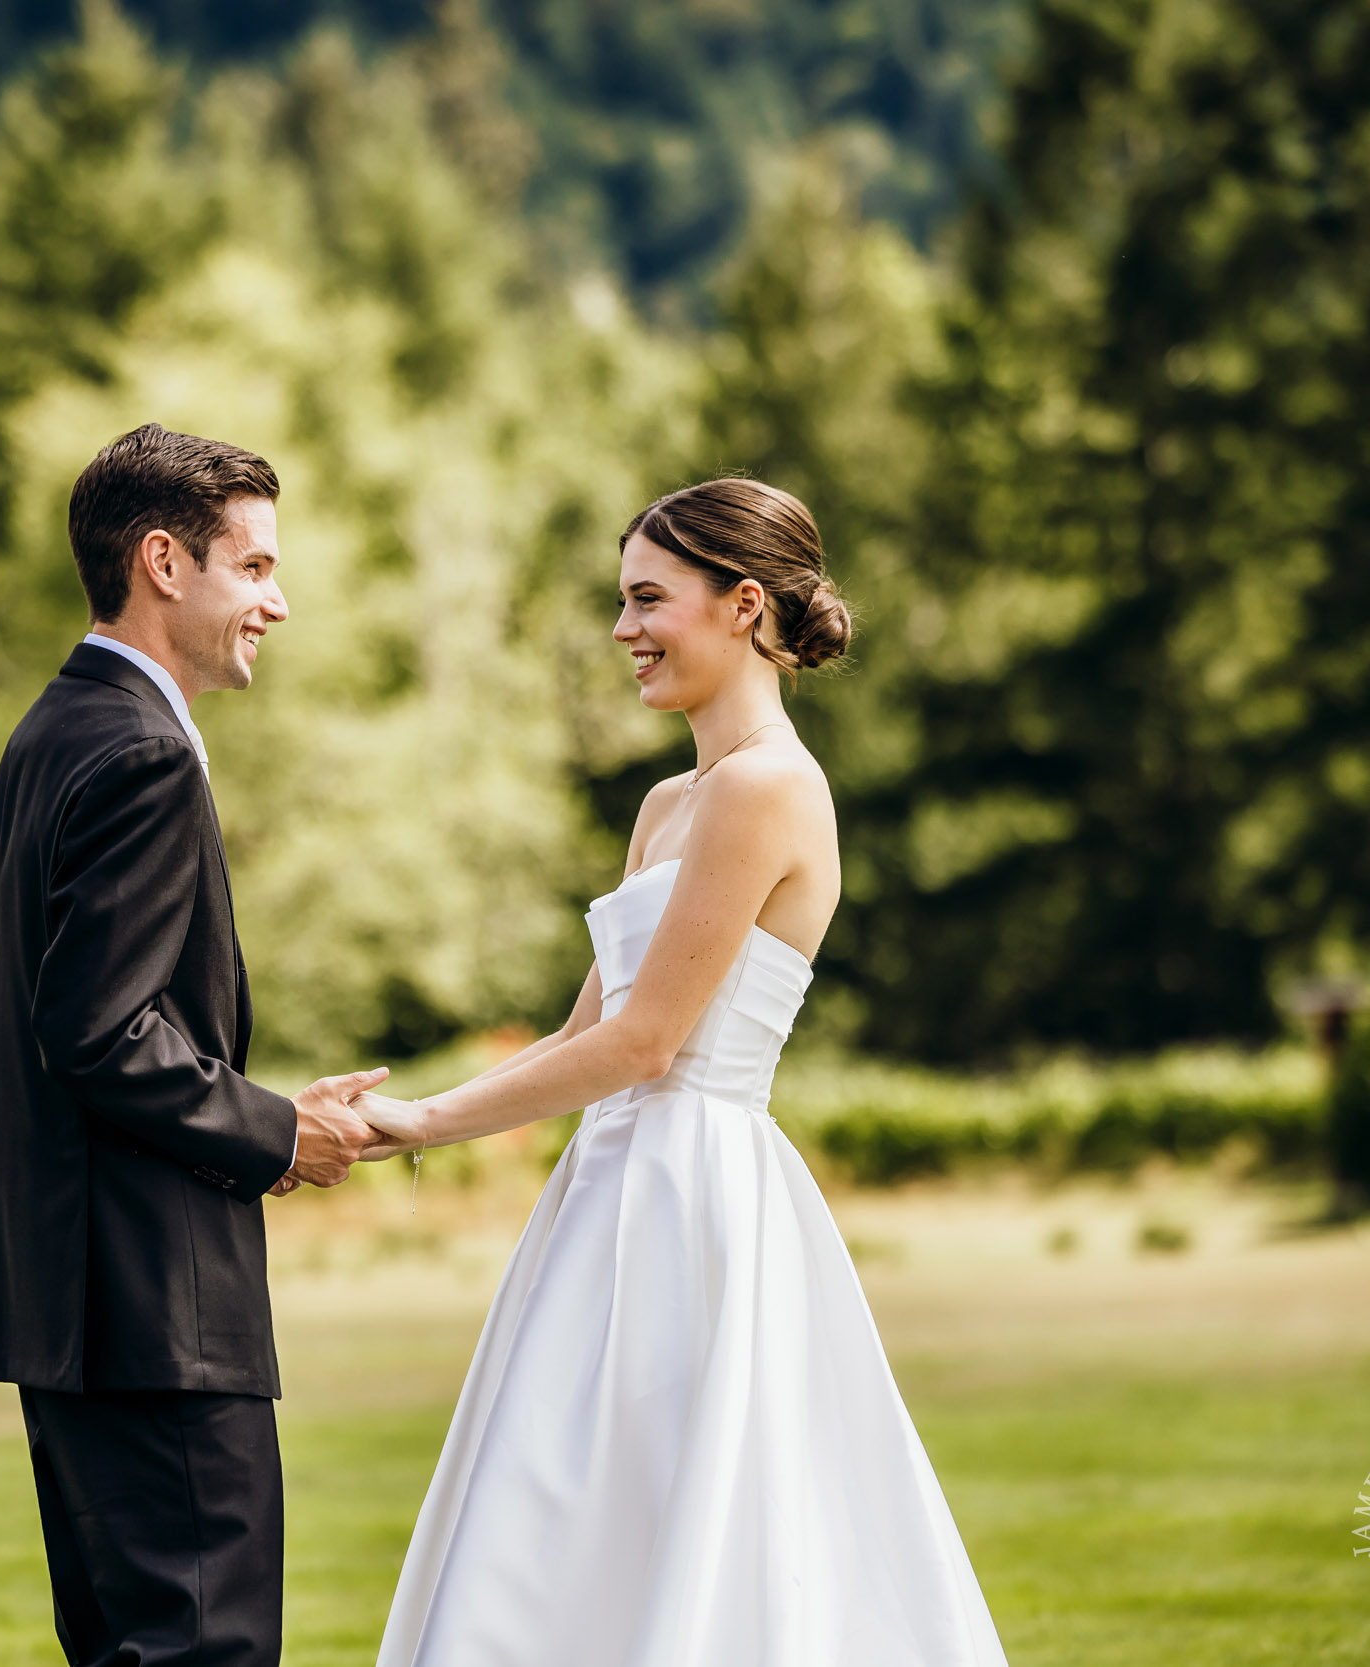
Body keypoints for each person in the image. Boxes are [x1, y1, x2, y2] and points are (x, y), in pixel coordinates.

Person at [358, 479, 1011, 1666]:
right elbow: (581, 1033)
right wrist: (397, 1103)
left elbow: (649, 1043)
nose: (623, 630)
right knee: (560, 1508)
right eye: (621, 600)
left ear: (744, 604)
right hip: (605, 1186)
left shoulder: (769, 787)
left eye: (648, 598)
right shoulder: (669, 801)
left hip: (693, 1192)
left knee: (684, 1502)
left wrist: (425, 1124)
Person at [0, 422, 413, 1667]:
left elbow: (23, 1008)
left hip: (67, 1304)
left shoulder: (51, 732)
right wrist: (279, 1130)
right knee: (203, 1650)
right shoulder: (147, 753)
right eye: (255, 567)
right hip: (156, 1314)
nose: (280, 599)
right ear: (163, 561)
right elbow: (96, 1029)